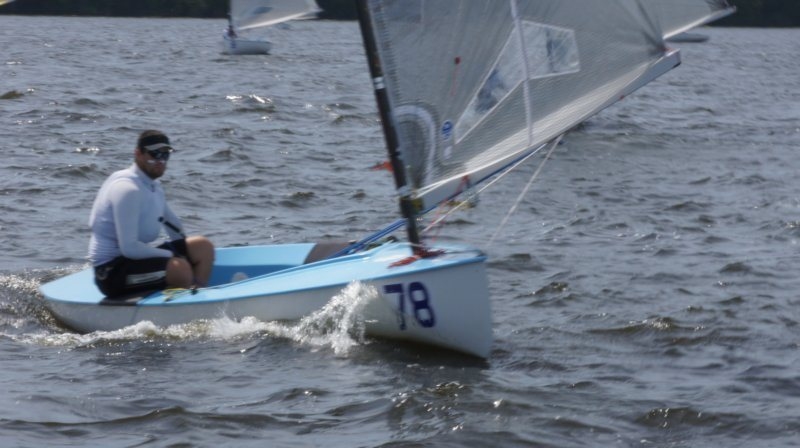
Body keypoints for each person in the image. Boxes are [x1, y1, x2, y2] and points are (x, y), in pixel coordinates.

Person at [88, 130, 215, 298]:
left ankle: (198, 296)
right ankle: (181, 301)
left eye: (165, 155)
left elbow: (174, 226)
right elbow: (129, 248)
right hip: (110, 272)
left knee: (203, 247)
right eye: (155, 154)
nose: (160, 160)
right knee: (180, 269)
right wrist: (172, 256)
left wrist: (183, 253)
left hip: (135, 260)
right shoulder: (127, 189)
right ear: (138, 154)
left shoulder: (153, 186)